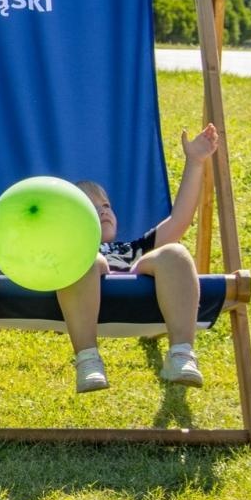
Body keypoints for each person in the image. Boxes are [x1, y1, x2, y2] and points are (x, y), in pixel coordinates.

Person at [55, 124, 220, 393]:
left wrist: (195, 162)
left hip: (140, 289)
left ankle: (181, 354)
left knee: (174, 252)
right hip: (83, 289)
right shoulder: (66, 252)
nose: (103, 211)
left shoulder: (133, 248)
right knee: (86, 260)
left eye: (106, 206)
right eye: (91, 208)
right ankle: (88, 359)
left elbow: (179, 221)